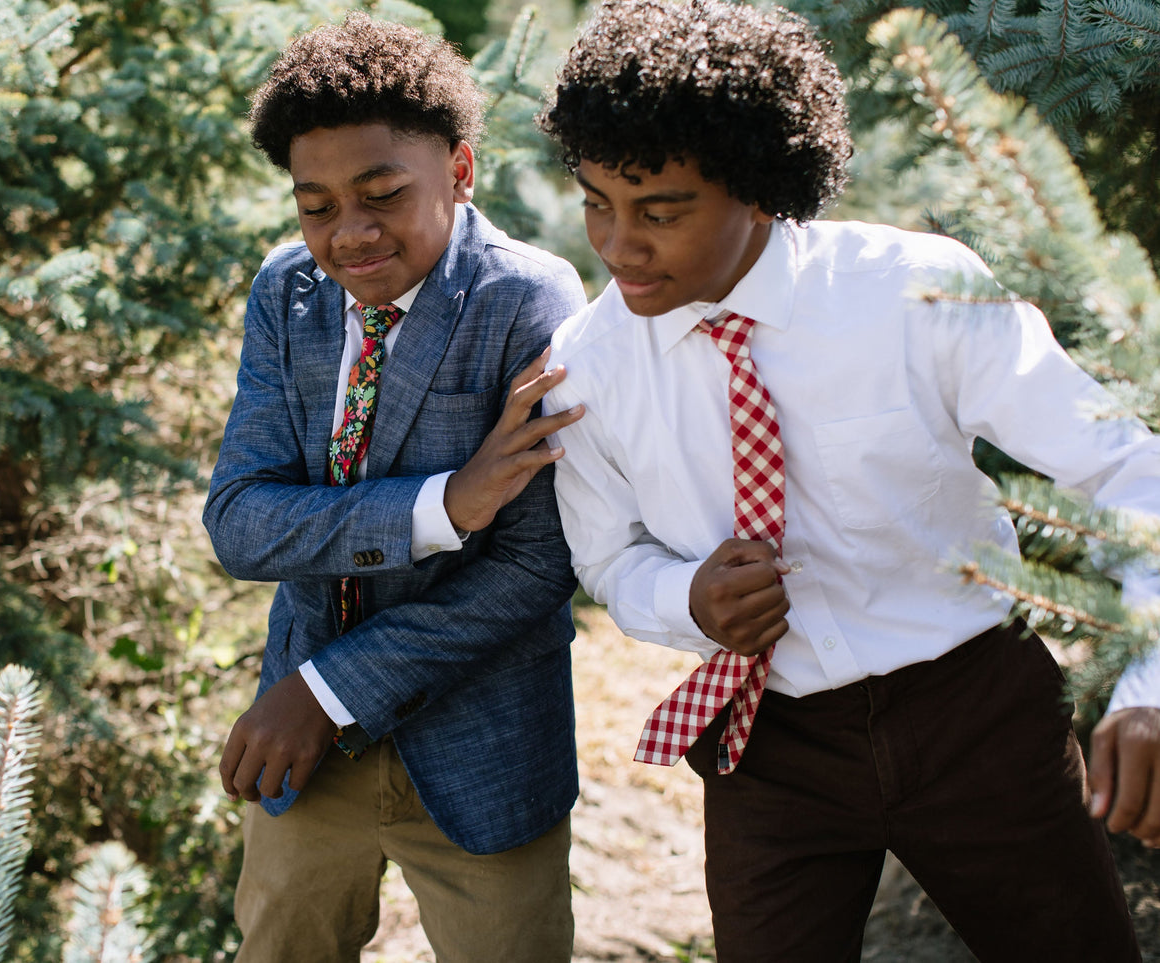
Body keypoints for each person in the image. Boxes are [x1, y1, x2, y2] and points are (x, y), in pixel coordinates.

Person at [535, 1, 1160, 960]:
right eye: (595, 202)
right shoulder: (584, 367)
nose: (617, 245)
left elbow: (1129, 468)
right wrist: (686, 596)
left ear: (760, 188)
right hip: (767, 745)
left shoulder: (916, 290)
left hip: (976, 717)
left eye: (660, 212)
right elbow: (612, 559)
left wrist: (1150, 682)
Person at [202, 12, 589, 962]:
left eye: (381, 194)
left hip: (478, 736)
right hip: (305, 752)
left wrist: (331, 687)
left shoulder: (526, 301)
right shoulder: (285, 292)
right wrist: (445, 504)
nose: (349, 233)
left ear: (459, 171)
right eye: (316, 205)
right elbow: (241, 523)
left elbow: (536, 566)